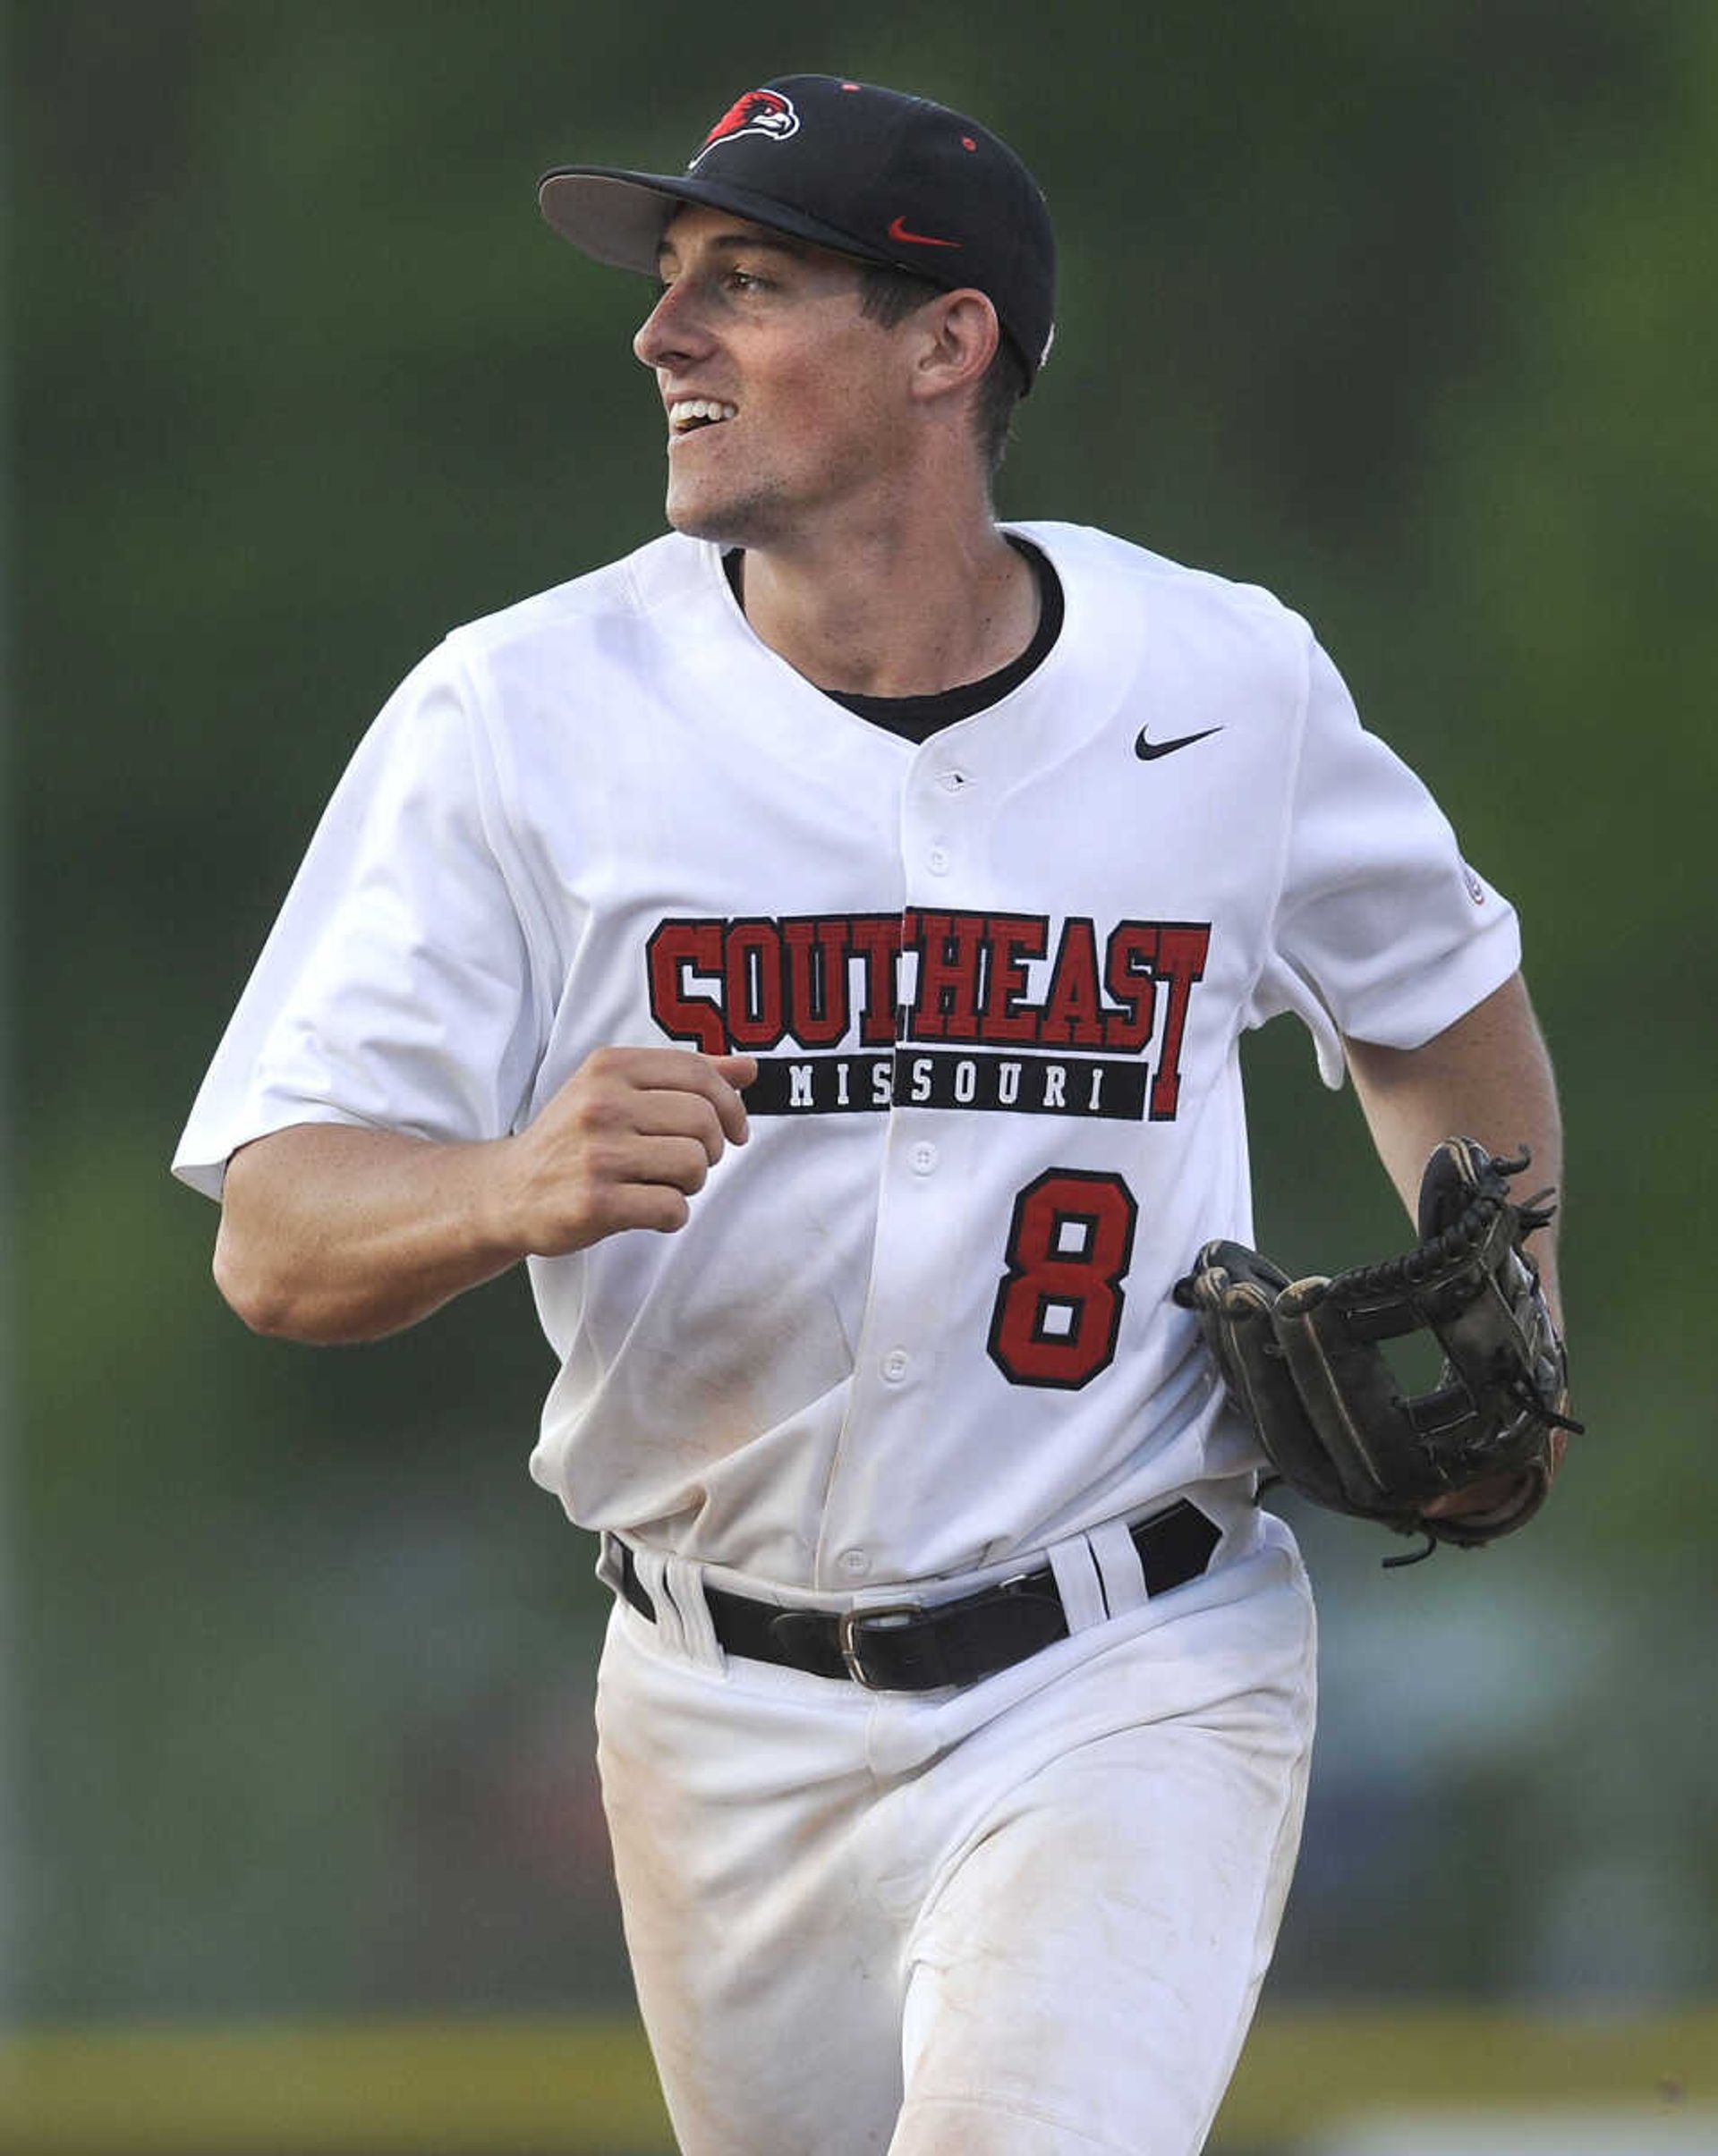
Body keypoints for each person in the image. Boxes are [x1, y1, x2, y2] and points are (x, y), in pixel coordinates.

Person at [174, 74, 1565, 2156]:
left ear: (947, 341)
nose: (664, 337)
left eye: (748, 282)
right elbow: (275, 1238)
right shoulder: (521, 714)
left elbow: (1438, 998)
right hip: (712, 1706)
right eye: (669, 288)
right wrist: (502, 1183)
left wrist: (1521, 1319)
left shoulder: (1225, 680)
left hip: (1133, 1654)